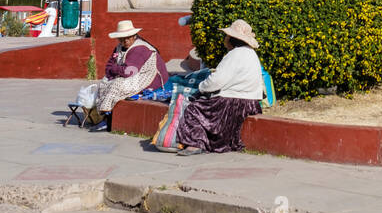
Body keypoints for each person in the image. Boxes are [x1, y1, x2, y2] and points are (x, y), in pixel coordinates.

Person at [175, 19, 263, 154]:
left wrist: (201, 87)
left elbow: (217, 80)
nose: (225, 39)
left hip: (232, 102)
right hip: (250, 102)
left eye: (227, 36)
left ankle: (195, 143)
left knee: (194, 109)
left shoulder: (235, 54)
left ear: (233, 39)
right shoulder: (251, 54)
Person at [89, 20, 169, 131]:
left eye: (128, 37)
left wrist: (114, 70)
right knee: (104, 81)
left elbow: (129, 71)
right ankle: (104, 115)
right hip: (128, 73)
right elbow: (109, 66)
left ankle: (108, 117)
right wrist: (112, 73)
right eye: (122, 38)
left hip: (148, 77)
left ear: (134, 36)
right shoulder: (118, 48)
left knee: (118, 84)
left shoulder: (140, 49)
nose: (125, 41)